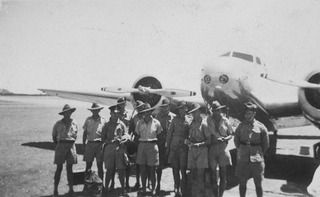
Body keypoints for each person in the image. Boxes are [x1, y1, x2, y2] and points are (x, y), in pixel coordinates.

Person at [234, 102, 269, 197]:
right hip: (243, 160)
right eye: (246, 113)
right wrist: (242, 150)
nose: (247, 116)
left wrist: (258, 153)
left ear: (254, 114)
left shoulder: (261, 127)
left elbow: (265, 145)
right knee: (242, 184)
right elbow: (236, 141)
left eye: (249, 113)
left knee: (258, 185)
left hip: (257, 160)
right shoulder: (240, 126)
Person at [101, 104, 129, 196]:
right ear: (110, 113)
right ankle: (106, 188)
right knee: (109, 170)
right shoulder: (107, 125)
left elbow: (126, 135)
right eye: (114, 113)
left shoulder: (121, 124)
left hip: (120, 149)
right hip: (109, 149)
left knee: (121, 170)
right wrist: (110, 141)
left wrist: (123, 139)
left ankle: (123, 189)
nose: (115, 115)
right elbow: (102, 138)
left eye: (117, 113)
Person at [135, 103, 163, 195]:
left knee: (152, 169)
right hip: (142, 145)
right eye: (145, 112)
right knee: (143, 169)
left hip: (152, 145)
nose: (147, 113)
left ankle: (153, 189)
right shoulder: (139, 123)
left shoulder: (156, 123)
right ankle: (143, 189)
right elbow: (136, 135)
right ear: (143, 113)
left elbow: (160, 136)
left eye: (149, 111)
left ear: (151, 111)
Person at [207, 101, 233, 197]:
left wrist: (225, 138)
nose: (216, 112)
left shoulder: (226, 120)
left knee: (223, 174)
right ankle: (215, 195)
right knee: (213, 175)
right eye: (214, 110)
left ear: (220, 110)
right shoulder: (209, 120)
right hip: (213, 148)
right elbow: (211, 131)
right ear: (212, 111)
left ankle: (220, 195)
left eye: (217, 110)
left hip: (223, 148)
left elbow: (231, 134)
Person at [185, 103, 211, 197]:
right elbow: (190, 136)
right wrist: (188, 141)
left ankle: (200, 194)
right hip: (192, 151)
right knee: (192, 175)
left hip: (202, 152)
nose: (193, 114)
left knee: (200, 176)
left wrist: (198, 144)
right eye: (192, 113)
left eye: (195, 112)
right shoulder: (191, 124)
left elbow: (209, 140)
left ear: (199, 112)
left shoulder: (204, 124)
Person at [52, 104, 78, 197]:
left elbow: (75, 135)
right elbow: (54, 137)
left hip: (71, 146)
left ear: (71, 112)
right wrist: (60, 144)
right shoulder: (58, 124)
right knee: (59, 168)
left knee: (70, 169)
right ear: (63, 114)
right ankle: (55, 190)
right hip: (61, 145)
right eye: (66, 112)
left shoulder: (74, 122)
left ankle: (71, 189)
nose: (68, 114)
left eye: (69, 112)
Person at [166, 101, 189, 197]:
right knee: (175, 169)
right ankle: (177, 188)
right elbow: (169, 134)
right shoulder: (174, 120)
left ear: (186, 109)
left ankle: (184, 189)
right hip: (174, 147)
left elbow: (190, 134)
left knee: (183, 169)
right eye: (180, 109)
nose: (182, 110)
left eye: (183, 108)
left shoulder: (189, 120)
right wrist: (168, 147)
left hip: (183, 148)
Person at [154, 98, 173, 194]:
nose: (164, 109)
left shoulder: (173, 117)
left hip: (171, 144)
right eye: (163, 107)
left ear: (169, 107)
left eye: (166, 107)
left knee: (175, 165)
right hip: (161, 144)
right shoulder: (158, 117)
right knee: (159, 167)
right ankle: (158, 185)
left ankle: (176, 187)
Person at [82, 103, 105, 180]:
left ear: (99, 110)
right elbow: (85, 133)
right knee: (88, 165)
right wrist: (84, 145)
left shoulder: (103, 120)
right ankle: (87, 183)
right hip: (90, 143)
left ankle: (101, 184)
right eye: (93, 110)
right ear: (91, 111)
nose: (95, 112)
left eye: (97, 110)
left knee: (100, 165)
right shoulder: (88, 120)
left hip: (99, 144)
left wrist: (103, 145)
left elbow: (105, 134)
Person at [128, 100, 146, 190]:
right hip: (137, 142)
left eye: (141, 107)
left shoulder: (147, 117)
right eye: (138, 108)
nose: (139, 109)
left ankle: (147, 184)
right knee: (138, 164)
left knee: (146, 164)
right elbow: (130, 131)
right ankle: (138, 182)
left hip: (146, 141)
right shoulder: (134, 118)